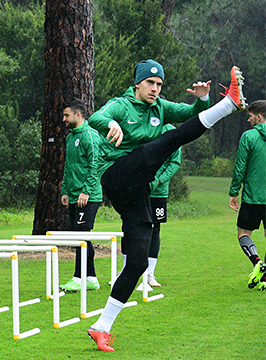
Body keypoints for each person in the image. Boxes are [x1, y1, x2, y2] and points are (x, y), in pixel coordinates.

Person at [84, 60, 247, 351]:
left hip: (137, 188)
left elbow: (191, 115)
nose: (155, 89)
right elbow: (95, 117)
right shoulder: (121, 105)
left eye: (159, 85)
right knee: (170, 140)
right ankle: (229, 104)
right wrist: (111, 124)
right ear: (138, 83)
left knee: (138, 261)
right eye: (150, 83)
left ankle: (102, 327)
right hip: (116, 175)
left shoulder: (161, 107)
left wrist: (202, 100)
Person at [59, 99, 103, 293]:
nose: (63, 119)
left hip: (89, 196)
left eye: (66, 115)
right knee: (81, 236)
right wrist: (65, 191)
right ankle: (91, 278)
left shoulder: (90, 136)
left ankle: (78, 278)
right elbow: (69, 166)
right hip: (74, 195)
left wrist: (86, 191)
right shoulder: (70, 137)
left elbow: (95, 165)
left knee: (80, 236)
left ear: (78, 115)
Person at [228, 100, 266, 290]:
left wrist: (234, 192)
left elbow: (240, 166)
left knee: (243, 234)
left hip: (252, 197)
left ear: (259, 117)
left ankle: (258, 262)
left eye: (250, 116)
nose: (248, 119)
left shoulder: (248, 136)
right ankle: (265, 278)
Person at [145, 123, 181, 288]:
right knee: (131, 227)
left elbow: (174, 163)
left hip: (158, 193)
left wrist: (158, 180)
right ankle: (125, 270)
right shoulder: (142, 126)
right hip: (139, 190)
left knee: (155, 229)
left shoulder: (171, 132)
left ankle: (150, 273)